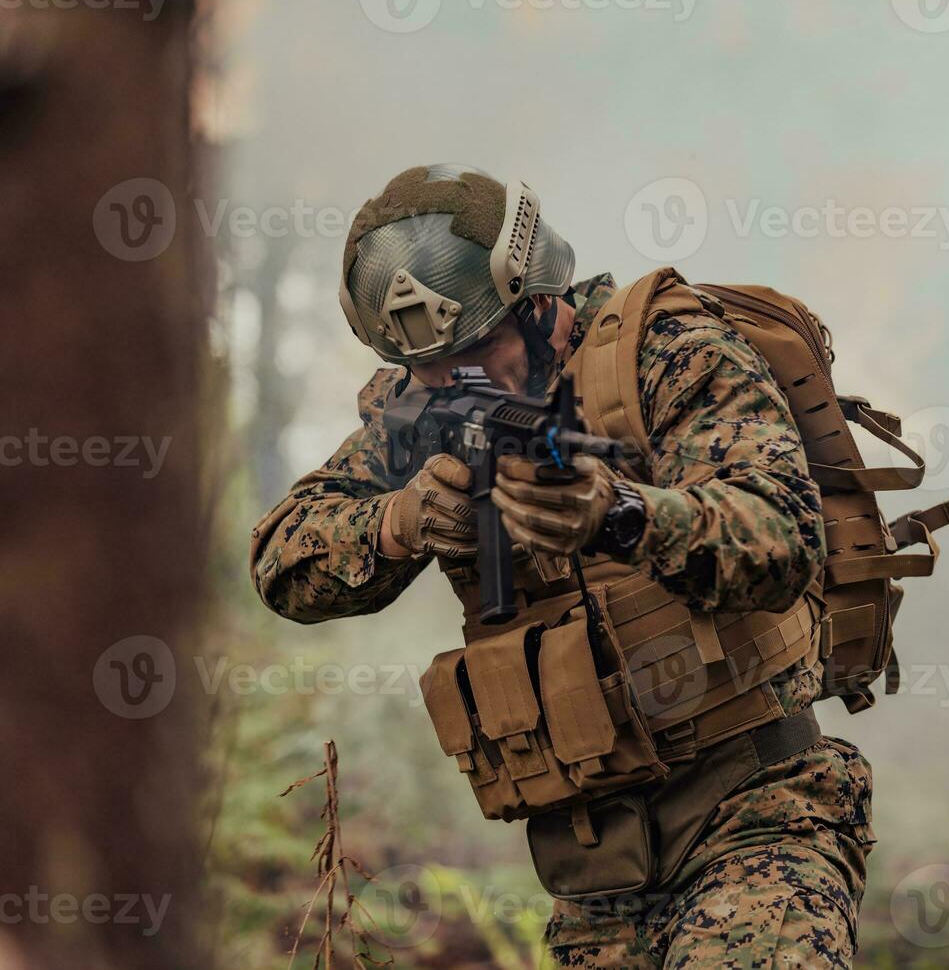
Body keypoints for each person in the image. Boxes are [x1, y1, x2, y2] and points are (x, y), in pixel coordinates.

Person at [249, 164, 875, 968]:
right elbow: (280, 557)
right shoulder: (424, 406)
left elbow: (783, 534)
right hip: (593, 874)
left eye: (476, 352)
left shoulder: (667, 352)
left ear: (540, 301)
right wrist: (400, 522)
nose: (452, 384)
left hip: (756, 814)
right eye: (429, 370)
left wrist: (625, 516)